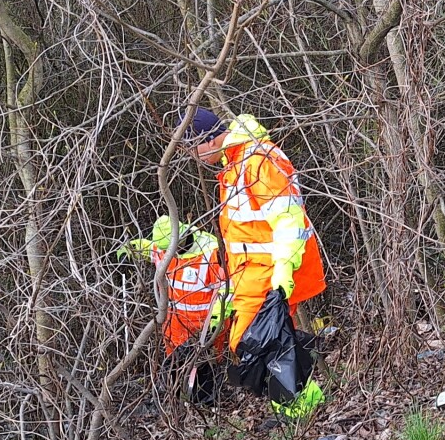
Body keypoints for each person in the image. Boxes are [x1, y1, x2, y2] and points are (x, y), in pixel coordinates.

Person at [185, 107, 327, 415]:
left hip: (268, 272)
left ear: (208, 140)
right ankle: (300, 403)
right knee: (256, 345)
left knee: (256, 345)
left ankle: (301, 409)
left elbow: (288, 221)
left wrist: (283, 270)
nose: (191, 155)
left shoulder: (258, 162)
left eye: (192, 146)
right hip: (250, 276)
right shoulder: (234, 165)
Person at [125, 215, 228, 356]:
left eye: (169, 249)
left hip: (205, 334)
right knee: (174, 373)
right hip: (173, 333)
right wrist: (131, 248)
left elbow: (229, 286)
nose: (167, 254)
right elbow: (151, 249)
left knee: (207, 376)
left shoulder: (211, 252)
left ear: (179, 240)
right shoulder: (164, 249)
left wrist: (219, 316)